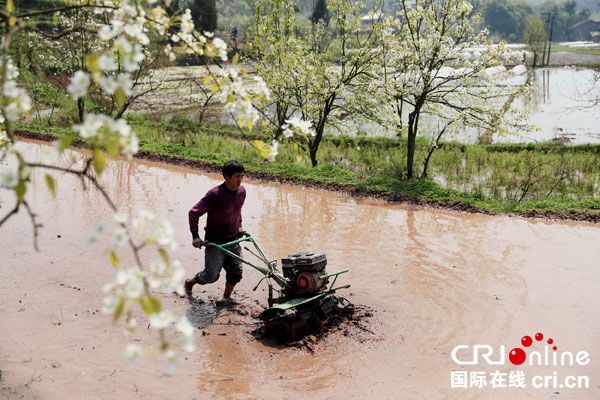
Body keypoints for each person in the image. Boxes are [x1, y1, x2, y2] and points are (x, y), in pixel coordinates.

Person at [184, 160, 246, 299]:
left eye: (242, 176)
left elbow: (237, 210)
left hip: (233, 240)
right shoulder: (215, 194)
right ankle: (190, 282)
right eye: (237, 176)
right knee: (211, 276)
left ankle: (226, 298)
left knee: (236, 273)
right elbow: (193, 212)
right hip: (216, 241)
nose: (240, 180)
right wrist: (195, 236)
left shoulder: (242, 191)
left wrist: (240, 225)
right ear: (226, 176)